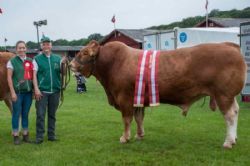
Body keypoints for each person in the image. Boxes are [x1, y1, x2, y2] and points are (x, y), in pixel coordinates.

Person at [33, 36, 61, 144]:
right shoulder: (37, 59)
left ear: (51, 45)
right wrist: (36, 89)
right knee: (40, 114)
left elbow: (62, 73)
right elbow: (34, 75)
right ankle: (39, 136)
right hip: (42, 91)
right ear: (41, 46)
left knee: (52, 114)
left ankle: (51, 135)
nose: (46, 46)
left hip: (55, 91)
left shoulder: (58, 59)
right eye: (44, 44)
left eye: (48, 44)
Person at [7, 41, 33, 145]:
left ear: (26, 48)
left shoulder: (30, 60)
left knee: (25, 114)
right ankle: (16, 135)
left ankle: (25, 134)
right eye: (19, 48)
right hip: (17, 93)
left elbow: (32, 76)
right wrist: (12, 92)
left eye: (23, 48)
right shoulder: (12, 61)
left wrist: (34, 90)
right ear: (16, 49)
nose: (21, 50)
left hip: (28, 93)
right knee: (16, 114)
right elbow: (9, 78)